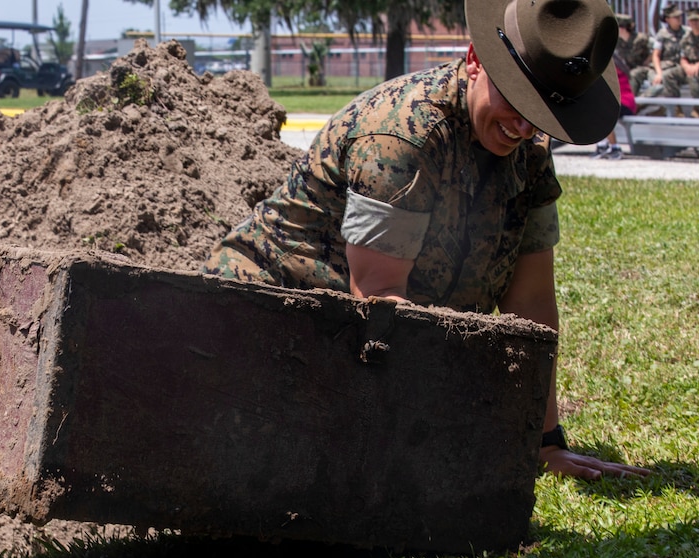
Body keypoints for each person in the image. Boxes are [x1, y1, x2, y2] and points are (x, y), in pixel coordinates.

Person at [203, 0, 650, 482]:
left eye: (542, 113)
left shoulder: (531, 153)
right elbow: (378, 302)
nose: (524, 127)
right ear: (476, 60)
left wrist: (543, 442)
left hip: (376, 342)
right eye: (518, 101)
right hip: (265, 325)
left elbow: (533, 304)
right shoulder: (402, 135)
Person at [593, 16, 641, 160]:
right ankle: (602, 145)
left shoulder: (611, 64)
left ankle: (615, 148)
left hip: (625, 101)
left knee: (604, 113)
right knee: (598, 110)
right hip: (615, 100)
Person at [640, 5, 688, 115]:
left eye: (679, 16)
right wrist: (659, 73)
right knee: (658, 83)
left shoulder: (687, 32)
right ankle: (639, 105)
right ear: (667, 20)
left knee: (667, 78)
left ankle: (672, 109)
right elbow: (656, 55)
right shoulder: (662, 34)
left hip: (681, 67)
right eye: (675, 17)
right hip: (664, 67)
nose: (678, 19)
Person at [617, 12, 654, 95]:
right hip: (627, 69)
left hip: (641, 68)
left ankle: (633, 102)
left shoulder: (641, 39)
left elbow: (654, 52)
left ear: (623, 28)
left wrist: (647, 62)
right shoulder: (617, 41)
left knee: (632, 75)